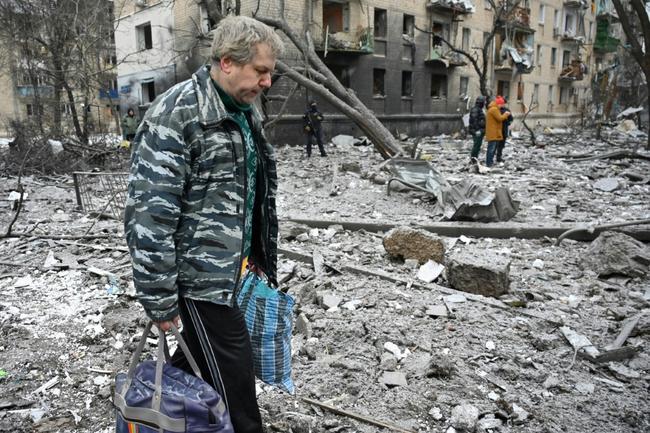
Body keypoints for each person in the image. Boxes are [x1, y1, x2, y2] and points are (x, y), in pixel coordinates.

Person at [124, 15, 284, 433]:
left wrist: (256, 257)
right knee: (236, 382)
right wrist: (158, 298)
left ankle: (182, 423)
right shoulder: (177, 115)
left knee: (198, 363)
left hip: (231, 272)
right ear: (227, 62)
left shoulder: (242, 108)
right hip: (198, 282)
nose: (267, 82)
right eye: (261, 71)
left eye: (270, 72)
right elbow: (149, 217)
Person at [485, 95, 511, 167]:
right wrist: (506, 114)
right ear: (498, 103)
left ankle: (490, 162)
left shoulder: (494, 108)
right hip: (493, 132)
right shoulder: (494, 109)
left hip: (494, 131)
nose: (502, 106)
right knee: (491, 148)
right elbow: (500, 118)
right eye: (501, 104)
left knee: (492, 148)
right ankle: (489, 163)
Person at [468, 95, 486, 161]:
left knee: (478, 145)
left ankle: (475, 158)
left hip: (479, 130)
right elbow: (474, 120)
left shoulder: (479, 109)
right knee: (476, 145)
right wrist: (477, 130)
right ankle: (473, 159)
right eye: (484, 102)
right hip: (477, 131)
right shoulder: (476, 109)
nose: (484, 104)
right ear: (481, 102)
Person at [496, 98, 513, 163]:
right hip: (503, 129)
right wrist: (508, 122)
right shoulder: (506, 111)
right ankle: (498, 157)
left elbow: (511, 119)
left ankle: (496, 157)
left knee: (497, 144)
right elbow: (511, 119)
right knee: (501, 144)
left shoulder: (496, 110)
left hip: (498, 129)